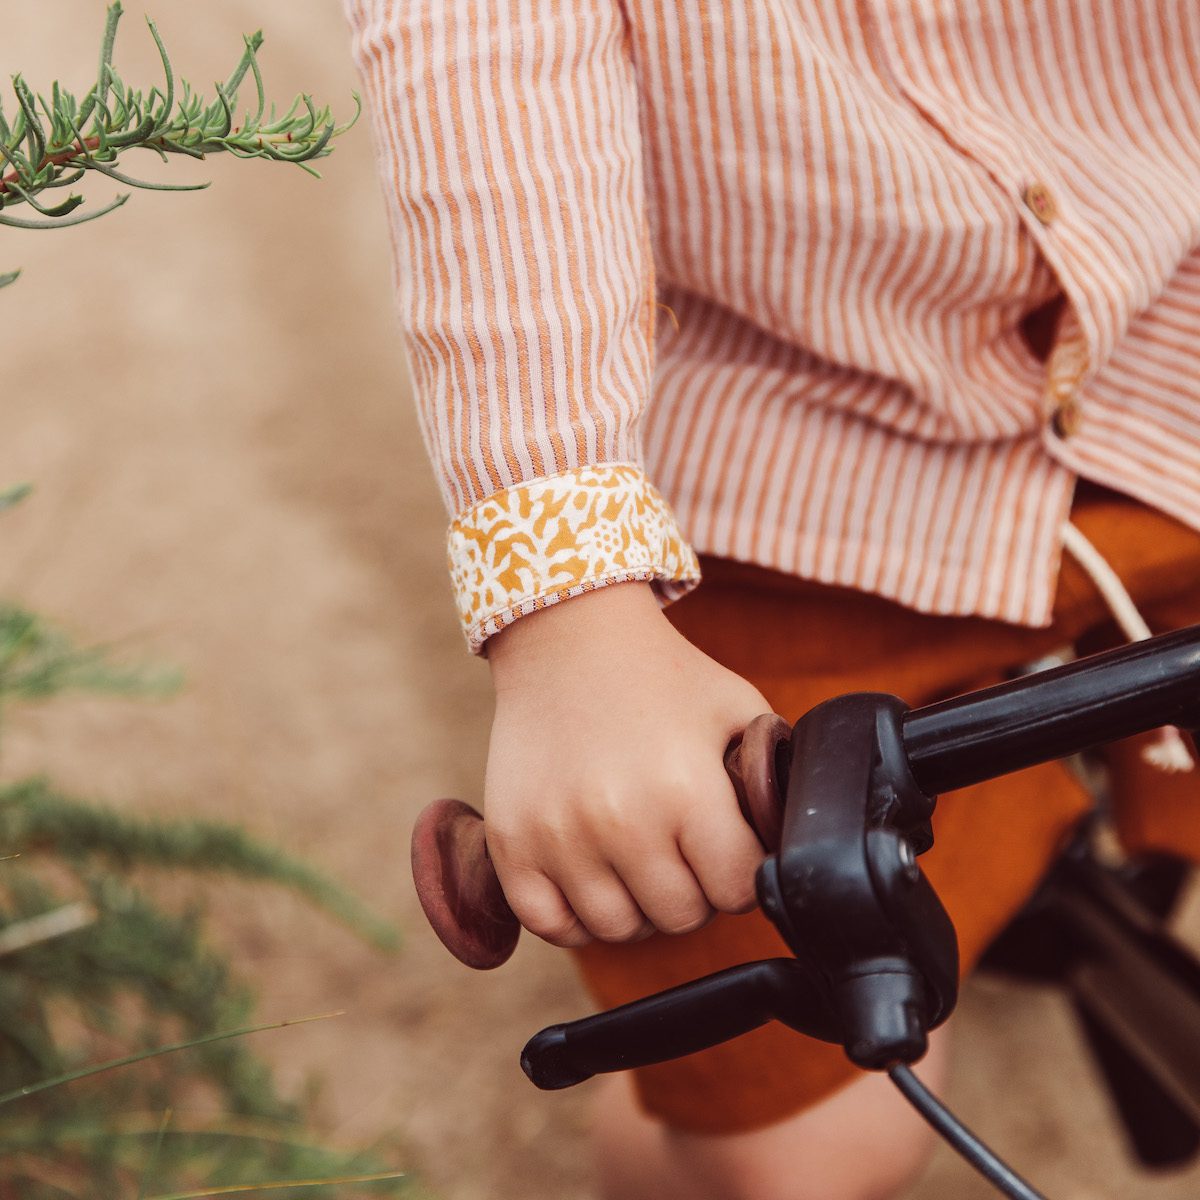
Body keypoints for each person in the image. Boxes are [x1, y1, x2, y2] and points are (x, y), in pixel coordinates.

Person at [341, 3, 1200, 1196]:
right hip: (790, 453)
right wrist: (570, 606)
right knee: (799, 1156)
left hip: (1172, 359)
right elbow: (485, 59)